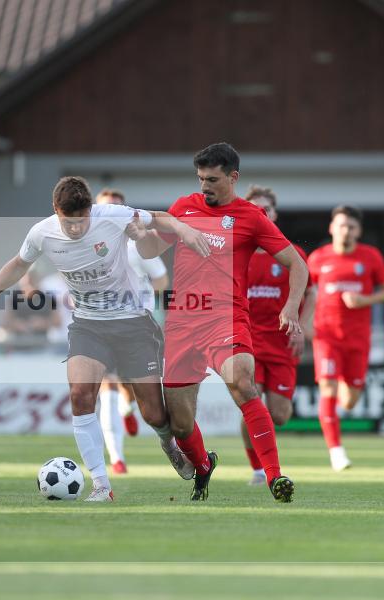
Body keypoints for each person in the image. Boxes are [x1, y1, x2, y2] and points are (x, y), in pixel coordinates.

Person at [0, 176, 208, 501]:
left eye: (82, 221)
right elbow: (18, 264)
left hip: (133, 324)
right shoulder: (42, 232)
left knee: (152, 413)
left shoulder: (111, 215)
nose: (77, 228)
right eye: (70, 222)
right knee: (81, 395)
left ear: (90, 210)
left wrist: (184, 229)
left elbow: (158, 217)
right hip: (89, 326)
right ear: (56, 211)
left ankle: (168, 442)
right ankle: (101, 485)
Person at [134, 142, 306, 502]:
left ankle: (274, 477)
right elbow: (150, 250)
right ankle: (202, 466)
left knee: (242, 383)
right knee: (180, 423)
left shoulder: (251, 217)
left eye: (212, 179)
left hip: (225, 319)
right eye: (200, 179)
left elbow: (298, 264)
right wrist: (145, 236)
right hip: (182, 322)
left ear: (233, 177)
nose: (204, 187)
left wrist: (290, 307)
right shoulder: (183, 208)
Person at [308, 205, 384, 471]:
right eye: (342, 225)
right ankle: (336, 451)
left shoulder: (370, 257)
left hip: (358, 339)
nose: (346, 230)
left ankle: (337, 437)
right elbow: (305, 292)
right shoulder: (318, 258)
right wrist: (305, 321)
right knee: (329, 390)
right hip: (326, 336)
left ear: (359, 231)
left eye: (351, 226)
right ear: (332, 228)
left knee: (349, 400)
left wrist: (365, 299)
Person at [241, 185, 315, 486]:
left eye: (267, 209)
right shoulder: (237, 254)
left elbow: (312, 294)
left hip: (282, 343)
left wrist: (303, 326)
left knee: (280, 415)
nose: (262, 213)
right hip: (248, 342)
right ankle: (259, 469)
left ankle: (263, 453)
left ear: (275, 213)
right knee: (251, 401)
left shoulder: (292, 254)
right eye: (255, 209)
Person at [94, 188, 170, 475]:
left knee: (135, 392)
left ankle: (128, 410)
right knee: (109, 387)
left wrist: (144, 300)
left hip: (137, 326)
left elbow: (162, 278)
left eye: (116, 208)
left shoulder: (137, 244)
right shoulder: (87, 245)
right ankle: (117, 458)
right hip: (101, 327)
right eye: (104, 208)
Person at [0, 271, 60, 352]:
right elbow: (5, 323)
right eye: (26, 283)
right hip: (19, 348)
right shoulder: (13, 299)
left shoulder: (48, 299)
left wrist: (43, 323)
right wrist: (17, 324)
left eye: (31, 282)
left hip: (42, 348)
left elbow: (58, 322)